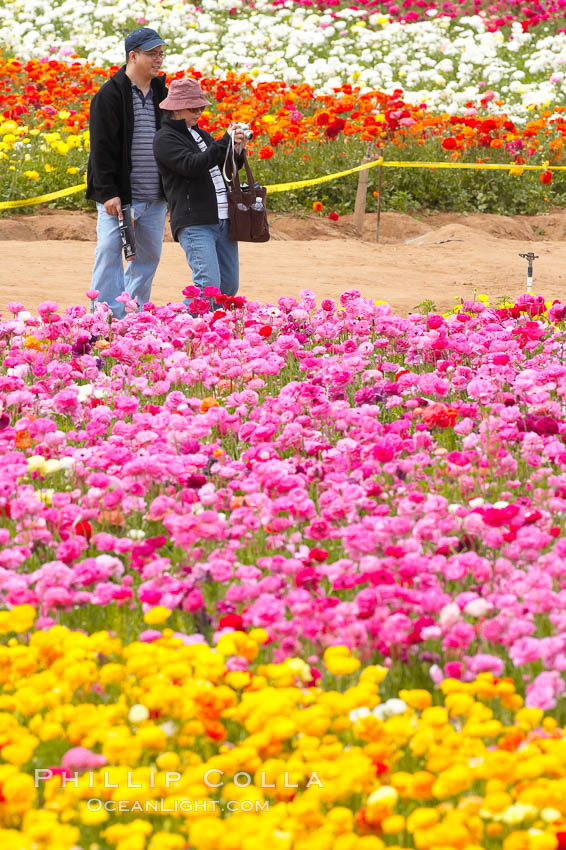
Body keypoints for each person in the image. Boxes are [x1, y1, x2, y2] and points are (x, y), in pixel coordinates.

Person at [86, 27, 168, 318]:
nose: (159, 59)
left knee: (148, 257)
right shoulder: (110, 95)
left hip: (155, 196)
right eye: (152, 54)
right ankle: (105, 318)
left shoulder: (162, 93)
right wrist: (108, 193)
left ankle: (133, 314)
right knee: (110, 253)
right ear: (133, 56)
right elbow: (101, 149)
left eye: (160, 53)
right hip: (121, 197)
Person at [152, 77, 248, 307]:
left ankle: (209, 335)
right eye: (193, 108)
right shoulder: (165, 138)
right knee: (208, 288)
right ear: (176, 108)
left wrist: (236, 150)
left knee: (228, 286)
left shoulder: (200, 134)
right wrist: (224, 141)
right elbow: (192, 166)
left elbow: (221, 167)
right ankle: (179, 329)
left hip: (223, 218)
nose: (199, 112)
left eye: (201, 107)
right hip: (195, 221)